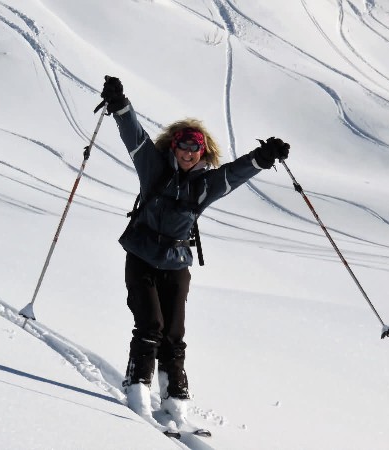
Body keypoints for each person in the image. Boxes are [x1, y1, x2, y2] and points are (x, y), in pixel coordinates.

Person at [99, 76, 290, 428]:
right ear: (173, 148)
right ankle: (137, 387)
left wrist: (263, 158)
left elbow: (234, 174)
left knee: (174, 333)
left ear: (202, 153)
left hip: (176, 263)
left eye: (194, 150)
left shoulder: (205, 185)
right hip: (141, 255)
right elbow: (136, 139)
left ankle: (174, 401)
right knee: (149, 325)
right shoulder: (154, 169)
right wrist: (120, 105)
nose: (188, 154)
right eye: (183, 148)